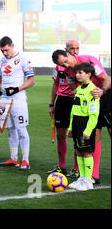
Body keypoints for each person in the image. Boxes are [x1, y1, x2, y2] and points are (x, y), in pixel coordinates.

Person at [51, 49, 111, 184]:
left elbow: (106, 79)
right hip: (89, 97)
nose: (66, 66)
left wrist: (102, 91)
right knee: (93, 135)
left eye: (66, 61)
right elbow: (73, 89)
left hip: (105, 94)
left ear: (69, 55)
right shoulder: (66, 70)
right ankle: (92, 176)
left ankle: (90, 176)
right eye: (63, 64)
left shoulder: (88, 60)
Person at [0, 36, 35, 170]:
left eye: (6, 50)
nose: (5, 53)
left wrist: (17, 89)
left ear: (12, 45)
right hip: (5, 100)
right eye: (2, 51)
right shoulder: (0, 62)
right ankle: (14, 158)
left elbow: (31, 81)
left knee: (21, 129)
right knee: (10, 130)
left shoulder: (23, 59)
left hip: (18, 99)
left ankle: (25, 160)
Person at [46, 39, 80, 176]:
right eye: (72, 48)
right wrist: (51, 104)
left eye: (77, 48)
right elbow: (55, 84)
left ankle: (77, 168)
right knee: (61, 134)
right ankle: (62, 166)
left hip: (76, 101)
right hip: (62, 101)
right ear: (66, 49)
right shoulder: (59, 67)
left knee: (77, 135)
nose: (75, 51)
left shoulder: (79, 64)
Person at [67, 62, 100, 191]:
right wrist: (70, 128)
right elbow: (73, 111)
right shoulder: (79, 89)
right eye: (76, 72)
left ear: (88, 74)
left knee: (86, 152)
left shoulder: (93, 91)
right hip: (76, 124)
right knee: (79, 151)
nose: (77, 75)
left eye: (80, 73)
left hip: (85, 124)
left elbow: (94, 114)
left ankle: (88, 181)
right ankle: (82, 178)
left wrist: (88, 130)